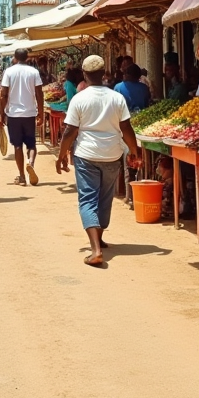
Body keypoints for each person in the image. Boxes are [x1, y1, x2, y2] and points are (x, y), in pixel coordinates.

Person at [55, 55, 142, 267]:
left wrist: (61, 155)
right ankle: (99, 238)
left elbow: (70, 131)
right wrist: (133, 150)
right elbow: (126, 128)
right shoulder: (116, 97)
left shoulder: (80, 98)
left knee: (87, 200)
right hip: (112, 155)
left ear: (84, 74)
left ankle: (95, 250)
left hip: (86, 155)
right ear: (104, 74)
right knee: (105, 198)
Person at [0, 48, 44, 186]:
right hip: (30, 113)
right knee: (31, 144)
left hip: (13, 114)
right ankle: (30, 163)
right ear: (27, 57)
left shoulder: (9, 72)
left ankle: (22, 176)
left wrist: (1, 114)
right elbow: (39, 93)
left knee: (17, 145)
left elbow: (4, 94)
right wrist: (40, 113)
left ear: (15, 57)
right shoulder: (34, 72)